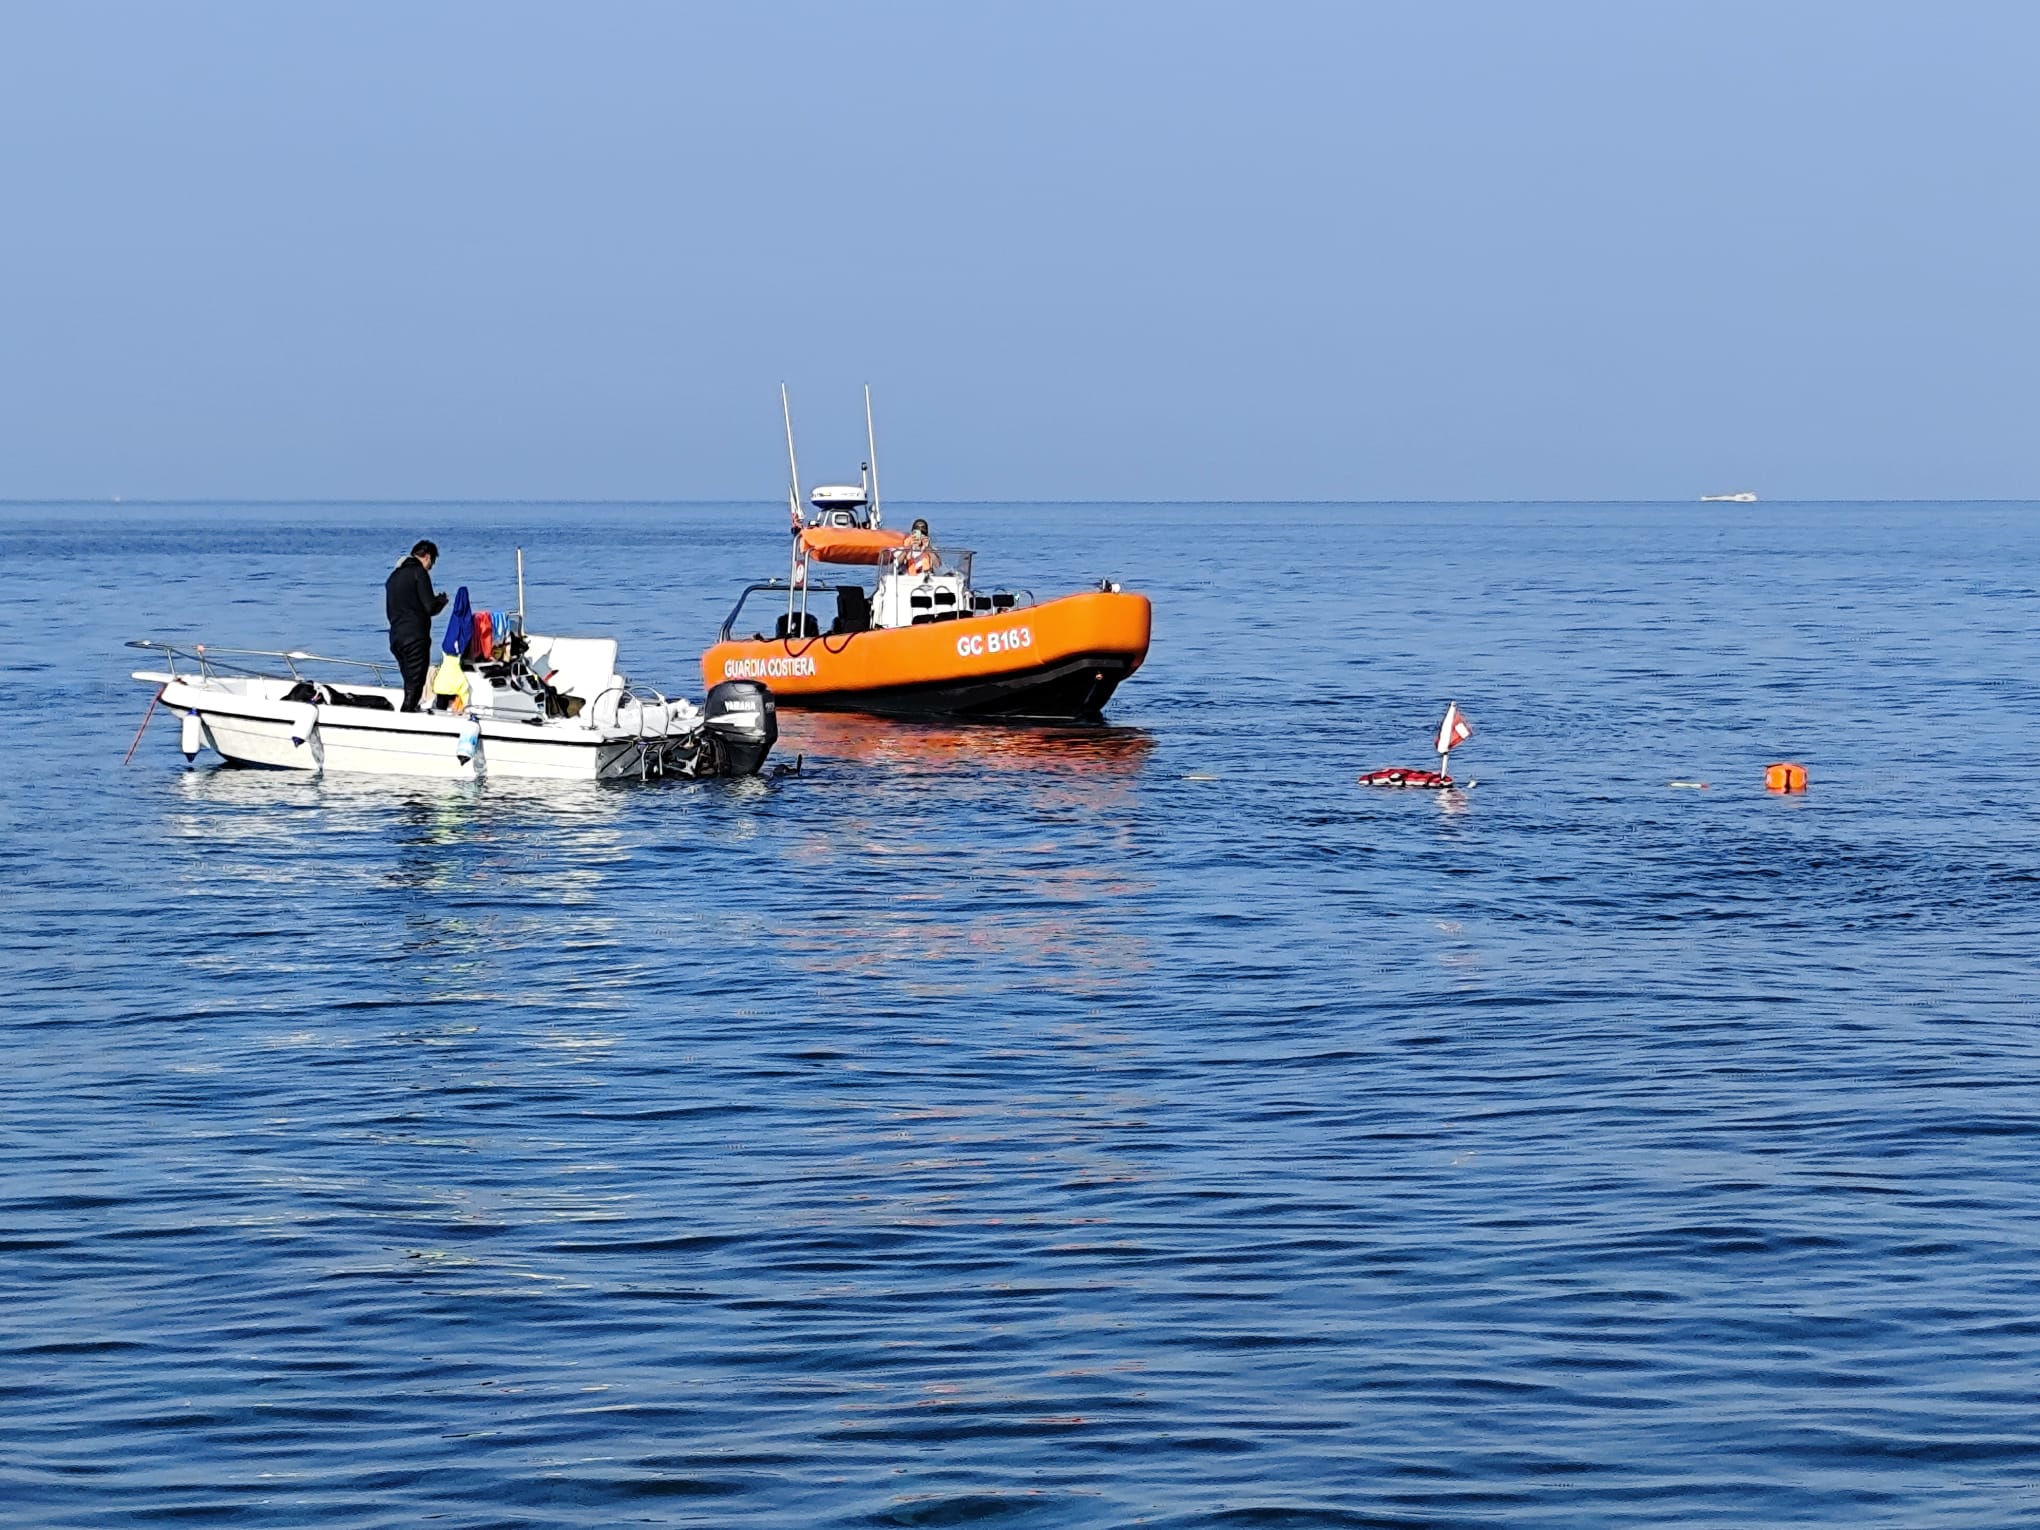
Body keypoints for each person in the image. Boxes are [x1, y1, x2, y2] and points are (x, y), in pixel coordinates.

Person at [385, 540, 448, 712]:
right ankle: (406, 720)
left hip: (396, 637)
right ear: (427, 557)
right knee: (416, 685)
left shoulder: (393, 577)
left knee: (409, 682)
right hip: (415, 638)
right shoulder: (418, 573)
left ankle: (409, 711)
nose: (431, 567)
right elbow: (430, 607)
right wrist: (441, 601)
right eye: (432, 562)